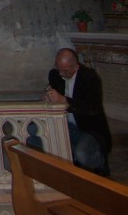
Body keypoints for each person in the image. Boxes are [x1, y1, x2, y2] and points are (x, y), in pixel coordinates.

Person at [45, 47, 111, 176]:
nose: (61, 74)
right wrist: (48, 97)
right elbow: (51, 91)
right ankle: (71, 161)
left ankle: (100, 164)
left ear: (76, 67)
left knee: (82, 154)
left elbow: (93, 107)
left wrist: (65, 100)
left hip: (89, 128)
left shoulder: (89, 77)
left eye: (65, 71)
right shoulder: (55, 74)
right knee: (33, 134)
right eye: (59, 68)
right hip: (66, 125)